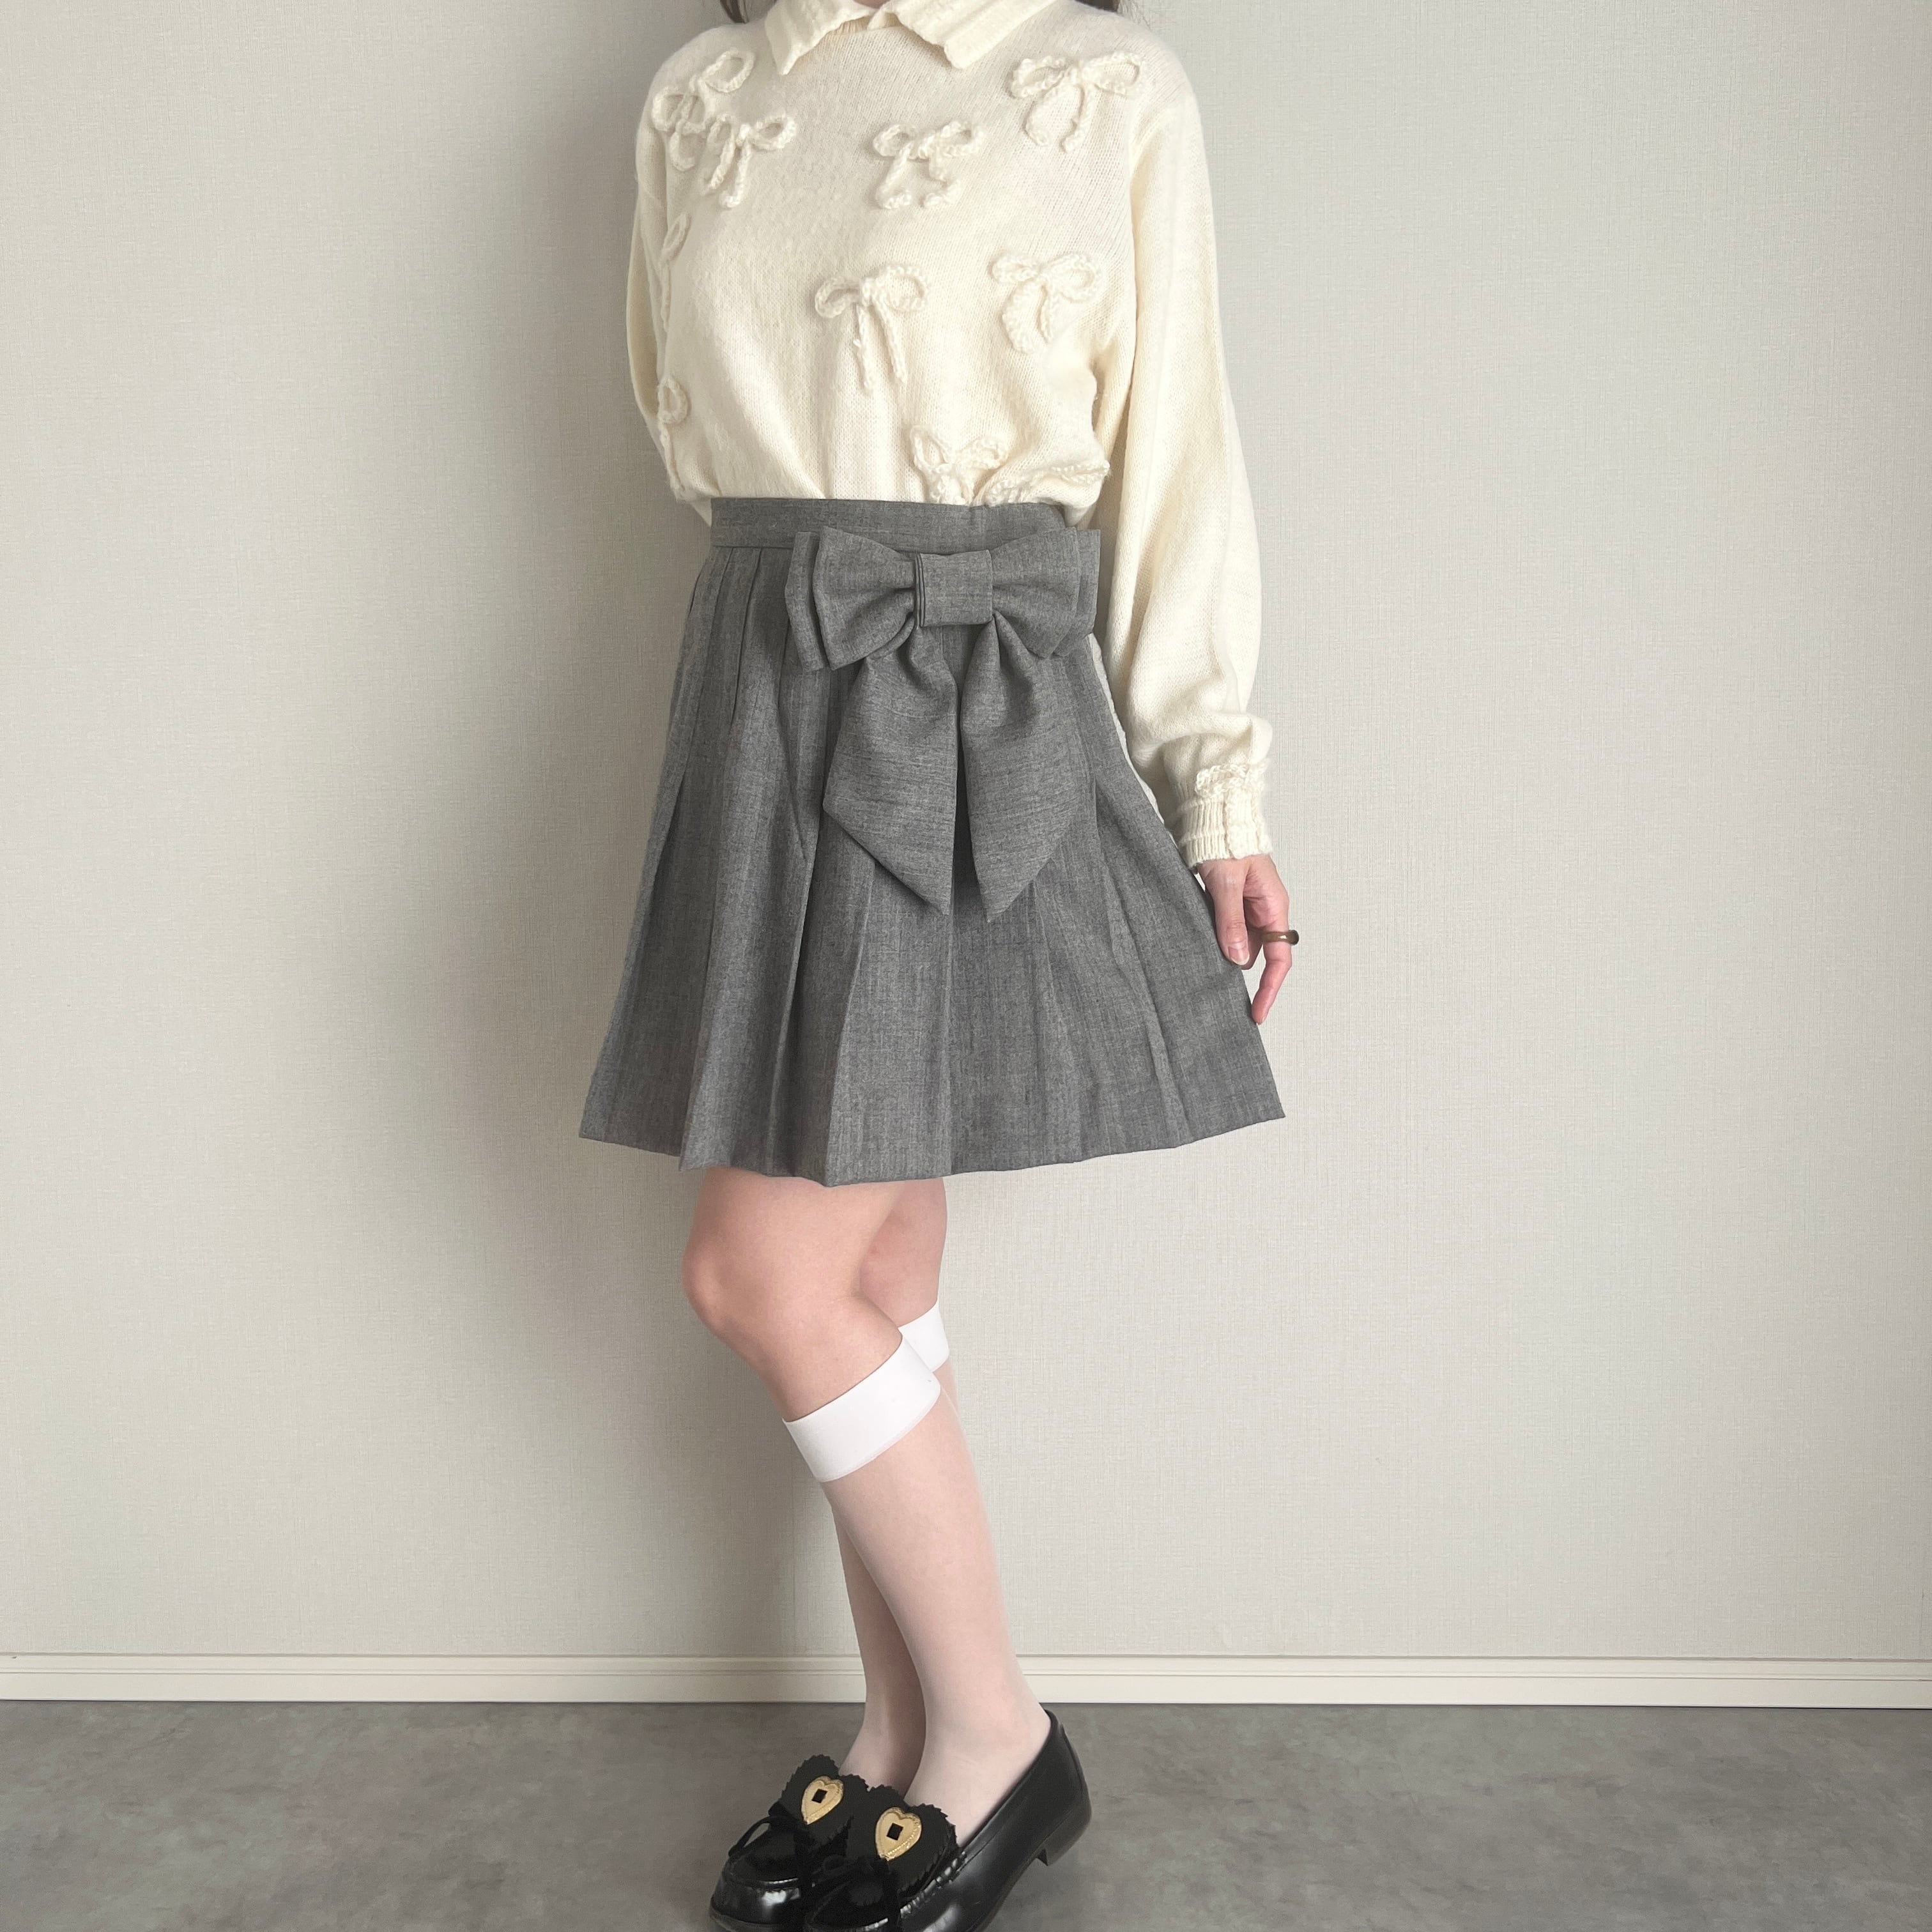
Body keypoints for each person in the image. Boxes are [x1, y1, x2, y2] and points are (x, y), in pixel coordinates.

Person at [578, 3, 1297, 1926]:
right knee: (870, 1263)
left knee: (760, 1272)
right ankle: (899, 1733)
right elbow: (680, 416)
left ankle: (997, 1730)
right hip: (764, 664)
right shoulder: (704, 91)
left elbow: (1177, 448)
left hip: (968, 685)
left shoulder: (1105, 86)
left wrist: (1218, 787)